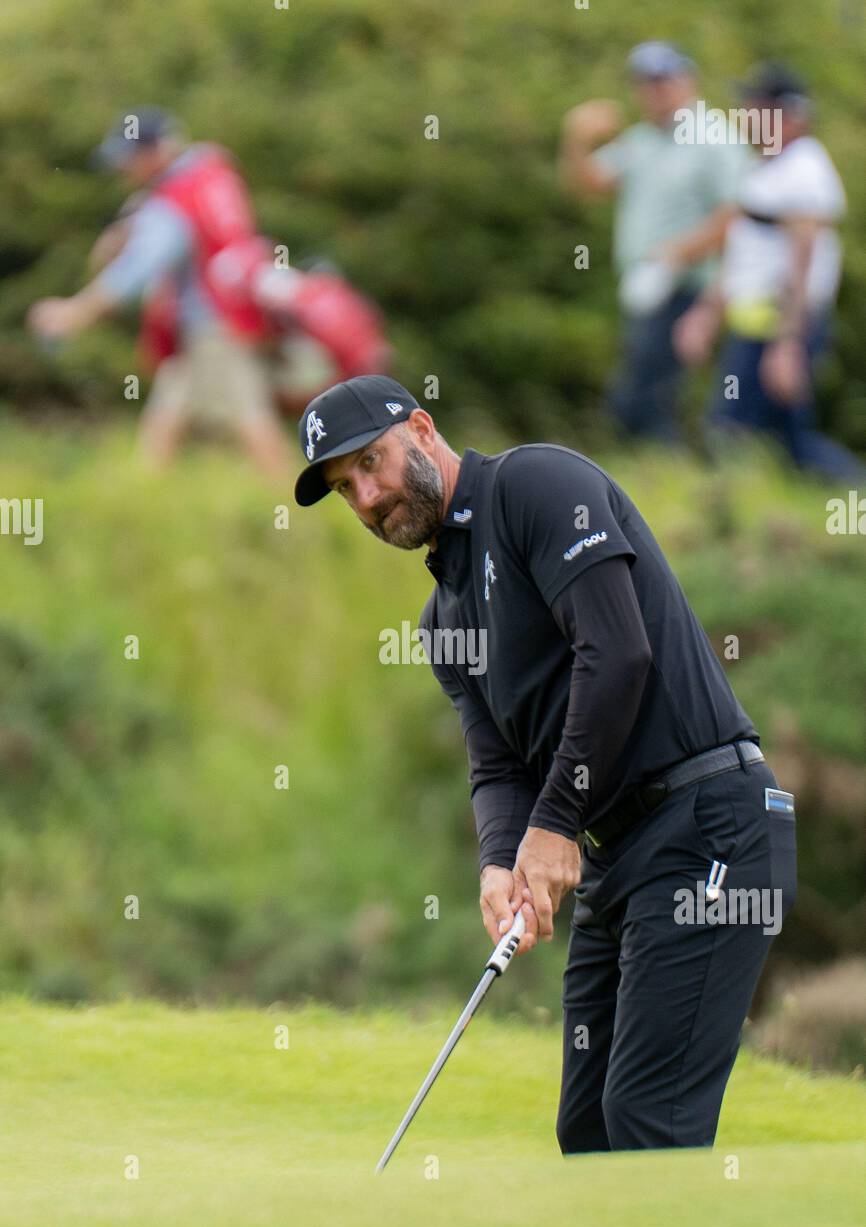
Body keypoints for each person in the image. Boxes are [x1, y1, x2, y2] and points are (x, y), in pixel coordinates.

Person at [294, 374, 799, 1153]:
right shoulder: (443, 618)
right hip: (620, 857)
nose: (364, 496)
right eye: (343, 487)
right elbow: (497, 766)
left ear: (422, 429)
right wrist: (500, 861)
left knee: (647, 1121)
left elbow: (617, 653)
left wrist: (556, 824)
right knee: (588, 1128)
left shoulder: (535, 485)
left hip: (710, 827)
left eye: (371, 462)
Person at [28, 108, 289, 480]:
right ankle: (141, 503)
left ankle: (292, 509)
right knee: (165, 418)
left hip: (215, 326)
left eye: (127, 161)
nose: (123, 172)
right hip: (223, 319)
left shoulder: (175, 196)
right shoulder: (211, 174)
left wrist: (75, 312)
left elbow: (138, 269)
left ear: (153, 153)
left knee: (249, 418)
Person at [674, 64, 866, 480]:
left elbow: (804, 261)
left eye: (757, 106)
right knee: (770, 437)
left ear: (789, 114)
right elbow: (742, 250)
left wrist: (788, 344)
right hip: (756, 323)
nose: (745, 113)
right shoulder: (763, 166)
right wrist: (707, 313)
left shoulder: (805, 169)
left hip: (781, 323)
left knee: (743, 432)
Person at [558, 42, 748, 445]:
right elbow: (588, 182)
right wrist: (576, 137)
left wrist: (675, 254)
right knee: (643, 395)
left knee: (643, 398)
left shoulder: (714, 137)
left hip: (686, 287)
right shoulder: (642, 140)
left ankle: (674, 477)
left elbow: (736, 214)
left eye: (663, 80)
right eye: (646, 82)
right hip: (646, 288)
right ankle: (669, 477)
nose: (654, 91)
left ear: (687, 80)